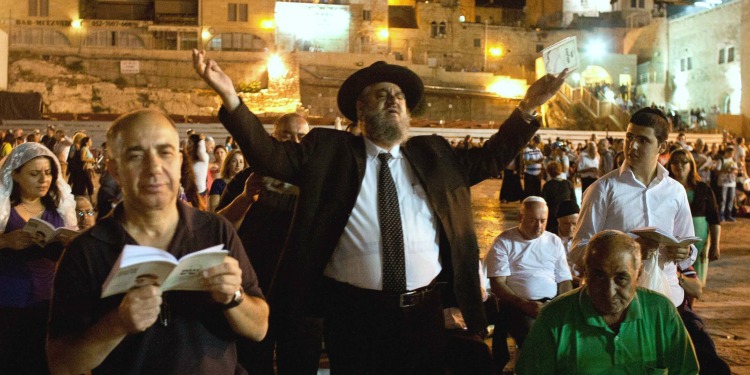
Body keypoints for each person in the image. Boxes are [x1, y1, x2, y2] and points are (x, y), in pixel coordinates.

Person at [194, 49, 566, 373]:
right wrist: (230, 96)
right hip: (355, 316)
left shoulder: (433, 154)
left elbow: (492, 156)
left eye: (400, 95)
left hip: (424, 312)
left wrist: (529, 106)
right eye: (382, 94)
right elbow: (269, 155)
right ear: (360, 108)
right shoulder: (330, 152)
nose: (394, 100)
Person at [47, 109, 269, 374]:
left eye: (165, 152)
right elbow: (60, 364)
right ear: (114, 168)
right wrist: (117, 323)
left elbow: (259, 329)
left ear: (179, 161)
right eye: (136, 155)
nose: (154, 168)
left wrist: (233, 297)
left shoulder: (215, 231)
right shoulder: (87, 250)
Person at [216, 113, 319, 375]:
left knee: (300, 364)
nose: (295, 142)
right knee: (253, 363)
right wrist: (246, 197)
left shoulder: (317, 182)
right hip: (255, 288)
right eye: (287, 135)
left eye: (302, 137)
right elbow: (218, 229)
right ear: (273, 138)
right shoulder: (248, 178)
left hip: (302, 292)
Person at [515, 230, 699, 374]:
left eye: (621, 278)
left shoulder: (661, 311)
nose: (609, 291)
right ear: (585, 273)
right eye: (599, 276)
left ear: (639, 274)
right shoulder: (554, 318)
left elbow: (685, 371)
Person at [571, 107, 696, 309]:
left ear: (662, 147)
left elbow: (688, 243)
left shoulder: (676, 191)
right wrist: (629, 251)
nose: (632, 146)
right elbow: (578, 251)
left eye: (643, 140)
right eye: (629, 137)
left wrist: (685, 251)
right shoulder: (603, 189)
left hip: (667, 299)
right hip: (618, 302)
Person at [0, 142, 77, 374]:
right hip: (10, 301)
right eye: (34, 174)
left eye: (48, 172)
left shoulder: (60, 209)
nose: (44, 179)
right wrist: (5, 241)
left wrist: (70, 243)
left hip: (50, 301)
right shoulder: (4, 209)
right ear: (15, 174)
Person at [485, 196, 573, 371]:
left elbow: (564, 279)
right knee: (537, 339)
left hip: (551, 302)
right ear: (520, 217)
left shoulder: (553, 241)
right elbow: (498, 284)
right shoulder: (504, 241)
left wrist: (560, 303)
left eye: (543, 221)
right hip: (517, 306)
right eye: (533, 220)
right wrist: (524, 304)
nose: (539, 226)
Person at [667, 149, 721, 284]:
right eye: (675, 162)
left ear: (691, 165)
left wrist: (715, 245)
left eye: (684, 162)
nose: (679, 165)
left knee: (694, 283)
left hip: (699, 247)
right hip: (672, 246)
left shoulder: (703, 189)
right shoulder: (665, 189)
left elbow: (714, 219)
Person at [541, 161, 575, 234]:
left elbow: (543, 202)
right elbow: (573, 200)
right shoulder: (568, 183)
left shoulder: (548, 185)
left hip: (552, 216)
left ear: (549, 172)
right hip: (566, 214)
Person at [715, 146, 738, 222]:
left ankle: (729, 214)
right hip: (723, 182)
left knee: (730, 199)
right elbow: (717, 171)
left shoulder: (733, 160)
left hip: (732, 182)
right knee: (723, 200)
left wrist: (734, 171)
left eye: (732, 153)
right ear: (726, 152)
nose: (731, 154)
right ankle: (721, 215)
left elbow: (736, 171)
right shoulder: (721, 160)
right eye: (730, 153)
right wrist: (726, 170)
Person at [186, 133, 210, 197]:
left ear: (196, 144)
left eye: (190, 143)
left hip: (200, 192)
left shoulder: (204, 157)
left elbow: (201, 151)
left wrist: (201, 140)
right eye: (188, 142)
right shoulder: (188, 157)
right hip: (188, 191)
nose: (187, 145)